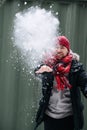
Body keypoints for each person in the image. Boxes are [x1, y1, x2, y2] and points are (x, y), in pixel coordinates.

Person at [34, 36, 87, 130]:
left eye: (62, 47)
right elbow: (37, 71)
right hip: (50, 117)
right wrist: (41, 68)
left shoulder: (76, 68)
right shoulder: (47, 63)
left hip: (69, 117)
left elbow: (84, 81)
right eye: (56, 47)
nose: (58, 50)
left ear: (68, 49)